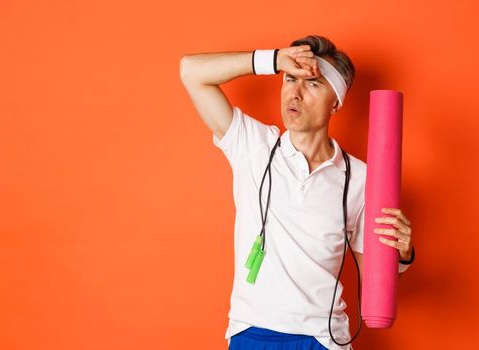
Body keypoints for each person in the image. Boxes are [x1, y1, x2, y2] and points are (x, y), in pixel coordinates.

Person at [178, 35, 415, 350]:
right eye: (290, 79)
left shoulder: (362, 179)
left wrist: (403, 255)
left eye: (313, 84)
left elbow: (372, 280)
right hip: (252, 333)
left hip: (324, 339)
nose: (296, 93)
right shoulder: (252, 144)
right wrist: (274, 59)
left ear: (337, 103)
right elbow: (191, 72)